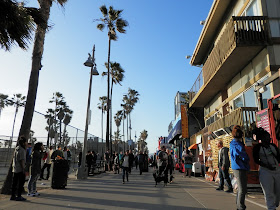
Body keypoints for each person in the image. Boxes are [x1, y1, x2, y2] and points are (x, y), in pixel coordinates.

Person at [252, 127, 280, 210]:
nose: (269, 139)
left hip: (276, 170)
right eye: (267, 137)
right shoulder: (258, 148)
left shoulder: (273, 146)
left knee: (277, 191)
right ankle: (271, 208)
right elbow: (256, 160)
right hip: (265, 172)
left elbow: (278, 157)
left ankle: (275, 204)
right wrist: (266, 165)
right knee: (268, 192)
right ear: (262, 139)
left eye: (269, 137)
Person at [230, 125, 250, 210]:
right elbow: (242, 155)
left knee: (240, 188)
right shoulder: (237, 144)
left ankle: (239, 205)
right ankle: (241, 207)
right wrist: (246, 158)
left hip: (237, 167)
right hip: (240, 167)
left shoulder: (233, 143)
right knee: (242, 189)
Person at [10, 136, 27, 201]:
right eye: (25, 142)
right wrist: (23, 169)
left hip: (15, 168)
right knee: (20, 183)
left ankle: (13, 195)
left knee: (14, 183)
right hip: (20, 169)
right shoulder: (22, 150)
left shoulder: (17, 148)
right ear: (23, 142)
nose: (26, 143)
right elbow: (22, 160)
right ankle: (19, 196)